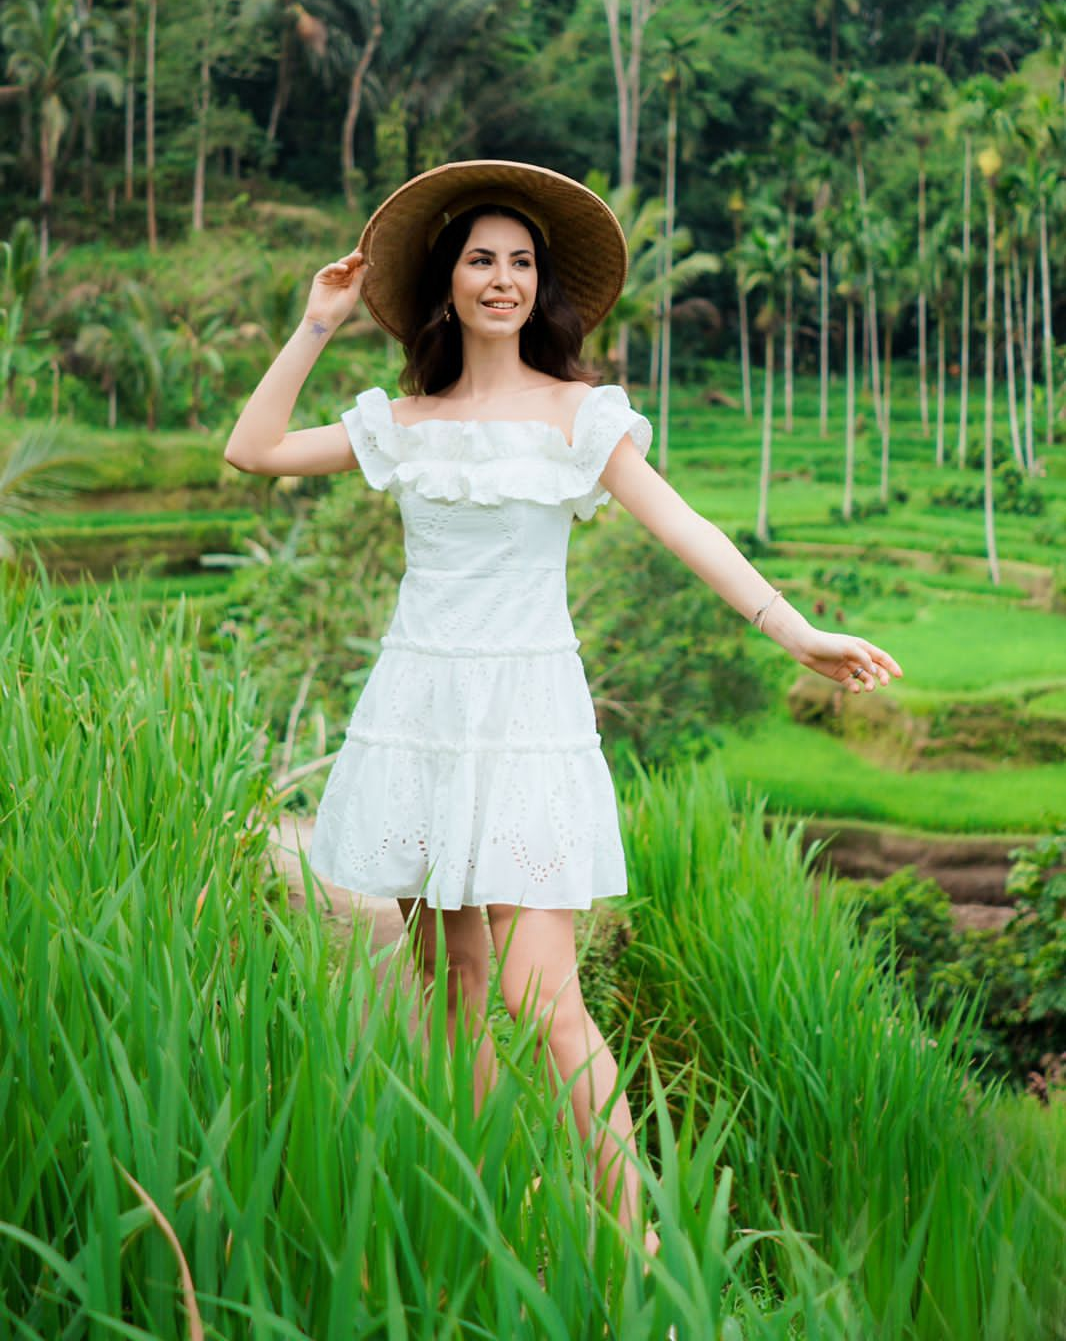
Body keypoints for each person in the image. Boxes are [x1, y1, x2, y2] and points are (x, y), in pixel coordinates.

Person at [224, 158, 903, 1271]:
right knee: (449, 981)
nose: (502, 279)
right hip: (421, 707)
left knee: (544, 994)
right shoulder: (401, 420)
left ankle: (641, 1241)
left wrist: (795, 630)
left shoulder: (581, 417)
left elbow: (683, 526)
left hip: (530, 714)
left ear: (544, 288)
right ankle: (501, 1191)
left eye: (521, 263)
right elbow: (251, 452)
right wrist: (314, 324)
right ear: (447, 283)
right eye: (481, 260)